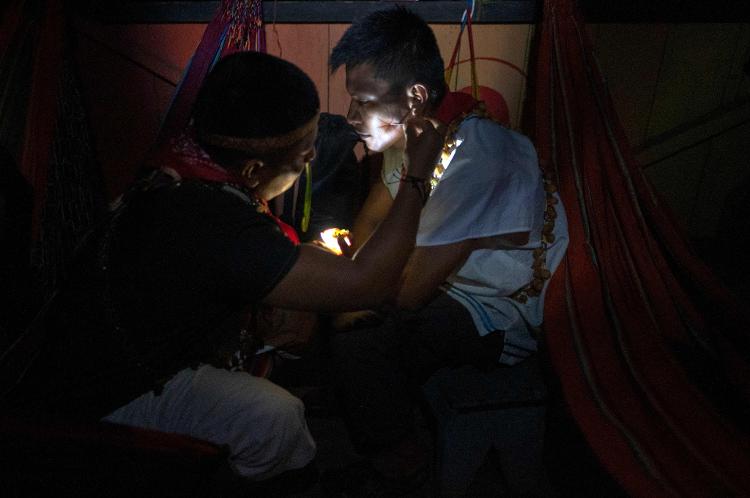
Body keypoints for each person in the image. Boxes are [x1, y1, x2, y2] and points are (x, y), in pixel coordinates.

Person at [6, 51, 442, 487]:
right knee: (275, 418)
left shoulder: (182, 164)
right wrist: (417, 175)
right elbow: (369, 285)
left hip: (87, 354)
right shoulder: (215, 223)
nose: (312, 157)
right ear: (253, 168)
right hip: (104, 395)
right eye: (303, 152)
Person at [323, 7, 569, 495]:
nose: (352, 118)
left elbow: (409, 291)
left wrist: (350, 285)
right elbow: (373, 216)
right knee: (340, 308)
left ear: (414, 96)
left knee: (361, 340)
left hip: (497, 311)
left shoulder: (480, 155)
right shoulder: (416, 132)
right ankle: (386, 430)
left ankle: (400, 461)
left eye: (362, 102)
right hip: (445, 281)